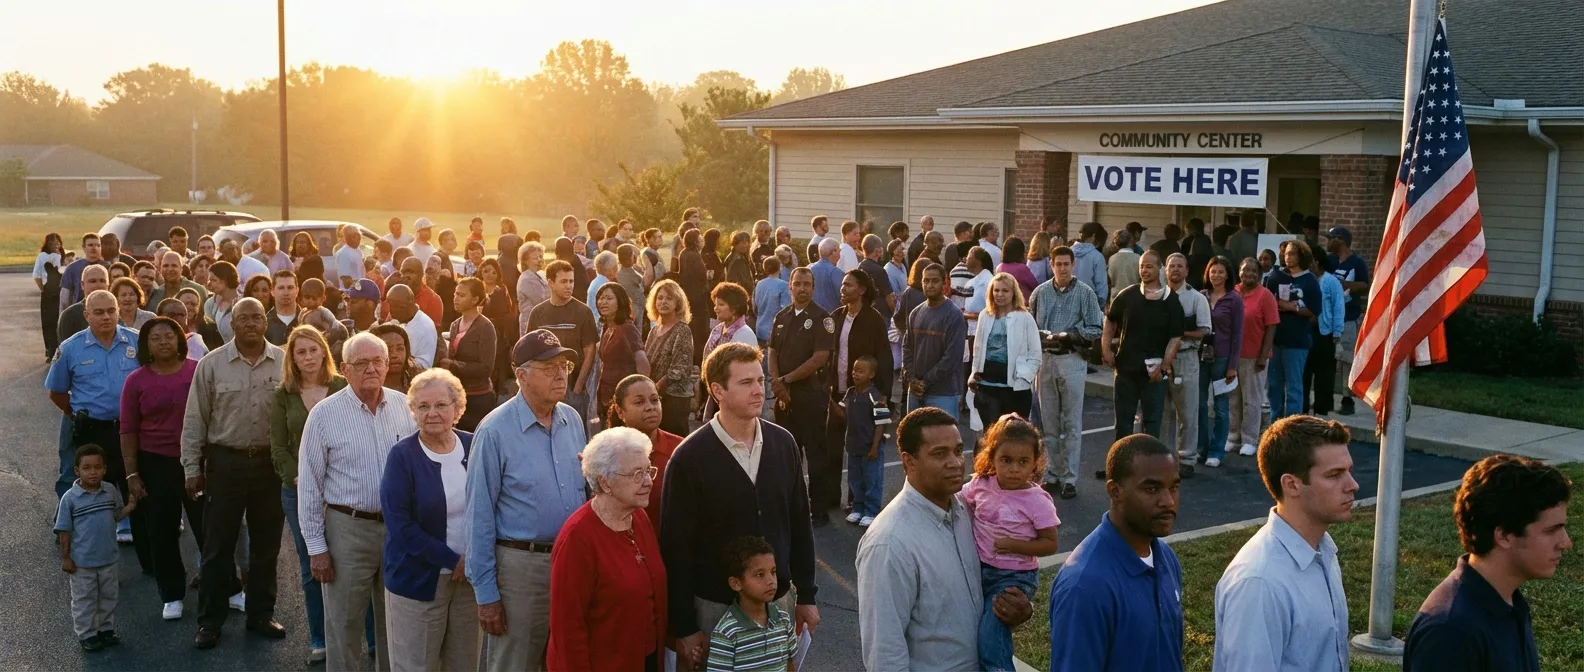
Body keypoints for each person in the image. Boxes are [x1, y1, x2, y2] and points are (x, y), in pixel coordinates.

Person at [660, 343, 820, 671]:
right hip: (714, 608)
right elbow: (676, 549)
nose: (758, 390)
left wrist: (806, 594)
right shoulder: (690, 457)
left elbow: (800, 524)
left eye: (760, 381)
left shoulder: (783, 443)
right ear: (717, 390)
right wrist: (686, 626)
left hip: (777, 606)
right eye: (746, 383)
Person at [856, 407, 1033, 670]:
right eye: (939, 454)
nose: (955, 462)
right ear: (908, 462)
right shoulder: (889, 544)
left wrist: (1018, 609)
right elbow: (885, 655)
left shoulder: (969, 509)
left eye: (958, 451)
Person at [466, 330, 589, 672]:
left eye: (564, 365)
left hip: (571, 564)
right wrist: (487, 594)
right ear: (521, 375)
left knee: (565, 660)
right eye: (549, 367)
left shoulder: (572, 420)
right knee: (514, 663)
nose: (561, 374)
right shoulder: (494, 431)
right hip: (521, 570)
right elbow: (478, 515)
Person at [297, 333, 417, 670]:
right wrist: (316, 548)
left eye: (377, 361)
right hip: (347, 530)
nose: (371, 369)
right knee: (344, 624)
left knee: (395, 623)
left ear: (387, 364)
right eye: (361, 363)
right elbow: (309, 485)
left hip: (398, 530)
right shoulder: (324, 415)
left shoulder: (405, 407)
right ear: (345, 370)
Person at [181, 297, 288, 649]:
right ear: (232, 323)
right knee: (217, 547)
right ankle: (210, 621)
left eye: (259, 317)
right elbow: (195, 419)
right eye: (245, 318)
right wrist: (192, 467)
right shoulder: (211, 365)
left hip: (269, 466)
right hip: (225, 463)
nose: (252, 324)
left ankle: (260, 614)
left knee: (265, 546)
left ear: (265, 322)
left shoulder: (285, 363)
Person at [1403, 455, 1572, 672]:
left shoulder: (1508, 604)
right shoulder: (1451, 631)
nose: (1566, 542)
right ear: (1504, 536)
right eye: (1551, 530)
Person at [1213, 415, 1356, 672]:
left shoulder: (1322, 550)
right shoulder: (1259, 582)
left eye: (1349, 471)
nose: (1352, 485)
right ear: (1292, 484)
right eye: (1334, 475)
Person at [1047, 434, 1183, 672]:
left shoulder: (1166, 559)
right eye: (1151, 489)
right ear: (1115, 491)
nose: (1168, 501)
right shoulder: (1084, 587)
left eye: (1174, 487)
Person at [546, 427, 669, 672]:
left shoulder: (639, 517)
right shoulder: (578, 538)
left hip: (645, 659)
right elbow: (568, 629)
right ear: (605, 481)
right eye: (636, 474)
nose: (648, 482)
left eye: (648, 471)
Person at [379, 369, 477, 672]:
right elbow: (400, 526)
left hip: (470, 582)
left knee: (464, 665)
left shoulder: (475, 445)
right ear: (413, 411)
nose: (432, 413)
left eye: (441, 405)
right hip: (417, 581)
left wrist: (473, 560)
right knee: (415, 666)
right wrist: (451, 559)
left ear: (458, 409)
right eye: (422, 406)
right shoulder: (402, 455)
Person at [269, 325, 347, 662]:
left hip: (344, 492)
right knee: (312, 564)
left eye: (313, 349)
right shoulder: (282, 395)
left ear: (324, 352)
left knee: (357, 565)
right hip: (299, 492)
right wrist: (299, 479)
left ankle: (371, 641)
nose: (308, 357)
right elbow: (279, 448)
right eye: (301, 352)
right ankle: (320, 638)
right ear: (293, 359)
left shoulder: (344, 386)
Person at [959, 416, 1059, 672]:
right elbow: (957, 500)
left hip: (1014, 577)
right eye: (1006, 460)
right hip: (979, 571)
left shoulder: (1037, 500)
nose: (1014, 469)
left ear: (1035, 463)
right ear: (992, 458)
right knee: (968, 631)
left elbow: (1050, 544)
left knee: (990, 638)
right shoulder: (981, 485)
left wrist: (1015, 545)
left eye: (1023, 462)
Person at [118, 316, 200, 622]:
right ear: (146, 345)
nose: (164, 341)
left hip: (195, 460)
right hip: (155, 462)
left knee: (208, 528)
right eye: (156, 337)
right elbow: (128, 430)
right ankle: (172, 595)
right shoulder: (136, 381)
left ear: (180, 339)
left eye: (169, 336)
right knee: (162, 531)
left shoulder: (197, 371)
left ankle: (226, 588)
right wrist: (132, 473)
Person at [48, 289, 141, 547]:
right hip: (92, 428)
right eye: (98, 312)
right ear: (86, 315)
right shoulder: (70, 348)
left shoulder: (136, 342)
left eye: (111, 311)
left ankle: (133, 525)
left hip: (130, 428)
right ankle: (87, 538)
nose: (106, 317)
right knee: (93, 481)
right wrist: (75, 413)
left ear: (118, 312)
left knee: (131, 476)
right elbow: (56, 392)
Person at [1029, 246, 1104, 499]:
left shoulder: (1085, 293)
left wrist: (1070, 335)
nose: (1061, 268)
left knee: (1071, 422)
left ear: (1073, 265)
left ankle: (1070, 478)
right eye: (1057, 264)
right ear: (1051, 264)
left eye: (1066, 264)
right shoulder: (1040, 293)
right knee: (1047, 422)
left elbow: (1095, 327)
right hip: (1046, 359)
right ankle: (1051, 473)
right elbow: (1031, 324)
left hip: (1071, 358)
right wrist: (1040, 336)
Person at [820, 271, 893, 524]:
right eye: (842, 284)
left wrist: (882, 393)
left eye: (848, 285)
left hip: (864, 396)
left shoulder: (873, 319)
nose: (843, 288)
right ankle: (831, 497)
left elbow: (884, 357)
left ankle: (858, 502)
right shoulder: (836, 316)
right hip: (839, 392)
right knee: (834, 447)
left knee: (862, 450)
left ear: (861, 290)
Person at [55, 444, 137, 652]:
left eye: (98, 467)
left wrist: (130, 506)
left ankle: (106, 630)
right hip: (83, 563)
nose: (93, 472)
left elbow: (116, 515)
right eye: (87, 468)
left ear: (105, 469)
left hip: (108, 559)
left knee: (108, 596)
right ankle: (87, 634)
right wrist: (66, 558)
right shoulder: (70, 499)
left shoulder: (109, 491)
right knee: (84, 600)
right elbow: (64, 531)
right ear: (77, 471)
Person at [1102, 250, 1184, 441]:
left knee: (1152, 425)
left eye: (1149, 266)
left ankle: (1150, 469)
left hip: (1154, 375)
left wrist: (1164, 366)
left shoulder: (1170, 300)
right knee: (1123, 424)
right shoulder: (1127, 295)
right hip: (1125, 371)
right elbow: (1110, 321)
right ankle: (1121, 467)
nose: (1145, 270)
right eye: (1142, 266)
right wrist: (1106, 349)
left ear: (1159, 269)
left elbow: (1175, 338)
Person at [766, 266, 834, 496]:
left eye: (807, 284)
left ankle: (819, 507)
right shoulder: (782, 316)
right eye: (798, 284)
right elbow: (772, 351)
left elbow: (820, 357)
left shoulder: (822, 318)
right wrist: (777, 382)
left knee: (815, 452)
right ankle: (791, 501)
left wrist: (786, 380)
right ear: (790, 286)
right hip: (783, 396)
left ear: (813, 288)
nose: (802, 288)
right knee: (787, 452)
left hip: (811, 395)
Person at [705, 536, 797, 672]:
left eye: (773, 572)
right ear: (736, 583)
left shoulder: (783, 621)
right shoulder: (727, 633)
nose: (771, 581)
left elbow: (789, 666)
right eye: (760, 575)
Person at [526, 260, 599, 425]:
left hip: (573, 386)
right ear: (550, 283)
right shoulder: (538, 313)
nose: (569, 286)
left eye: (571, 281)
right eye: (564, 281)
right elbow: (531, 351)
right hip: (543, 386)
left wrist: (579, 385)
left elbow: (590, 351)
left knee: (574, 431)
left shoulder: (583, 312)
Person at [607, 375, 683, 531]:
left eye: (654, 400)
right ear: (620, 412)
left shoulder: (681, 450)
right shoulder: (607, 454)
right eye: (639, 402)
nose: (650, 407)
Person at [1160, 253, 1212, 465]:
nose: (1176, 270)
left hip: (1186, 357)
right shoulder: (1157, 295)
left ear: (1187, 271)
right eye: (1172, 266)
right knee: (1158, 411)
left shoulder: (1196, 298)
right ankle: (1161, 457)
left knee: (1188, 412)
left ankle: (1187, 458)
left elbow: (1204, 330)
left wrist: (1179, 334)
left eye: (1180, 266)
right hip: (1161, 358)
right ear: (1166, 270)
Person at [969, 272, 1041, 426]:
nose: (1000, 294)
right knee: (990, 437)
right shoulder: (985, 315)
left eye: (1005, 291)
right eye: (996, 290)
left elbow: (1035, 353)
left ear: (1014, 293)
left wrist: (1024, 376)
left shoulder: (1024, 317)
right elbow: (978, 349)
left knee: (1013, 436)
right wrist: (973, 374)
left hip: (1015, 390)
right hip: (987, 386)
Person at [901, 262, 967, 417]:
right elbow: (907, 347)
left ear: (945, 283)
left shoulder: (954, 315)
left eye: (935, 281)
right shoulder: (916, 313)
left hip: (944, 393)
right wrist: (911, 378)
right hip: (915, 391)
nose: (930, 285)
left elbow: (952, 358)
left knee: (942, 439)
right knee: (914, 439)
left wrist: (925, 382)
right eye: (926, 281)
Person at [1264, 240, 1321, 421]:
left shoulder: (1310, 280)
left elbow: (1314, 310)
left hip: (1297, 342)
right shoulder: (1276, 277)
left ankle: (1292, 424)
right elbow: (1267, 301)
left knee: (1294, 387)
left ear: (1302, 256)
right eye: (1286, 253)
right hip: (1276, 340)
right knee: (1274, 386)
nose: (1288, 257)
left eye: (1293, 254)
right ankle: (1275, 423)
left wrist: (1290, 307)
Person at [1196, 257, 1244, 468]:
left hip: (1223, 359)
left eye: (1220, 272)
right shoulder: (1200, 296)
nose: (1216, 275)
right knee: (1199, 405)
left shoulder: (1234, 299)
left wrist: (1233, 365)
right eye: (1213, 271)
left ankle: (1216, 451)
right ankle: (1201, 449)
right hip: (1200, 357)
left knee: (1221, 406)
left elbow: (1238, 334)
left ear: (1228, 275)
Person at [1230, 258, 1279, 457]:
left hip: (1254, 356)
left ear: (1259, 274)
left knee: (1252, 400)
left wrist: (1263, 355)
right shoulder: (1232, 292)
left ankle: (1249, 439)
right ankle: (1233, 437)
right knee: (1233, 399)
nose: (1248, 274)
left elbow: (1271, 327)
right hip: (1232, 356)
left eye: (1252, 271)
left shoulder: (1265, 295)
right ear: (1239, 272)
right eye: (1244, 270)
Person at [439, 277, 498, 431]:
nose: (456, 298)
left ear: (475, 300)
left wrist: (454, 365)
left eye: (461, 295)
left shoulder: (485, 327)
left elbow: (486, 368)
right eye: (455, 294)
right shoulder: (455, 325)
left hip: (478, 398)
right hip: (458, 394)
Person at [1325, 227, 1370, 416]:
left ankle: (1347, 398)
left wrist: (1343, 285)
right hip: (1328, 319)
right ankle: (1325, 397)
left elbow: (1365, 284)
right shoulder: (1330, 261)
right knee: (1327, 359)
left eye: (1330, 238)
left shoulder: (1357, 263)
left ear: (1341, 240)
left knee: (1346, 359)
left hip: (1348, 317)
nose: (1327, 242)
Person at [838, 355, 887, 527]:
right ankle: (857, 508)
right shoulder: (850, 393)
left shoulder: (876, 396)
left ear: (871, 374)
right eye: (854, 370)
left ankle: (871, 510)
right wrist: (827, 399)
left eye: (860, 371)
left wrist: (875, 446)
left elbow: (881, 424)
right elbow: (842, 413)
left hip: (870, 446)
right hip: (854, 445)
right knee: (855, 479)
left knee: (871, 479)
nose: (855, 374)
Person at [644, 279, 698, 437]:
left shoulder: (682, 330)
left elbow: (680, 367)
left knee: (674, 441)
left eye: (669, 298)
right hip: (655, 396)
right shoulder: (654, 330)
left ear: (678, 302)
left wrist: (657, 386)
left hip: (675, 398)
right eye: (660, 298)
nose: (663, 302)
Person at [593, 283, 648, 417]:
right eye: (600, 298)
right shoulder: (607, 326)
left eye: (609, 298)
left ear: (620, 302)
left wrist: (641, 394)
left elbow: (643, 363)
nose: (603, 302)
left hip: (624, 396)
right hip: (607, 394)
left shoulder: (627, 328)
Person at [1302, 245, 1345, 416]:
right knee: (1304, 372)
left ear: (1317, 262)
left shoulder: (1330, 282)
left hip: (1324, 333)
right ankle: (1303, 407)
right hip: (1305, 331)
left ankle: (1322, 407)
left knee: (1324, 373)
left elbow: (1338, 307)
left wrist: (1337, 333)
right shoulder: (1304, 280)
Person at [678, 230, 712, 363]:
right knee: (701, 332)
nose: (702, 240)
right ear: (695, 240)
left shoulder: (683, 253)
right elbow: (702, 276)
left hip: (687, 295)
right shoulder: (695, 255)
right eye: (700, 238)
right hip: (698, 296)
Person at [386, 283, 437, 369]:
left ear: (410, 304)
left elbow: (422, 366)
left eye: (396, 306)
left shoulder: (422, 327)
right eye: (390, 305)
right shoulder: (408, 319)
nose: (391, 311)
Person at [35, 233, 64, 359]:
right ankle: (50, 349)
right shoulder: (42, 257)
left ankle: (61, 347)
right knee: (48, 321)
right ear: (47, 244)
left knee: (61, 319)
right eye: (52, 244)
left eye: (57, 243)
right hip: (48, 293)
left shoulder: (63, 256)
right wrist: (43, 289)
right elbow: (37, 276)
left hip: (61, 292)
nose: (55, 246)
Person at [753, 257, 791, 345]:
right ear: (779, 267)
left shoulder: (759, 284)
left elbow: (755, 307)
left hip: (759, 327)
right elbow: (786, 310)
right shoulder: (783, 285)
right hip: (775, 331)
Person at [859, 234, 897, 320]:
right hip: (881, 314)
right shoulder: (879, 270)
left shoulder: (859, 267)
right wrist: (895, 314)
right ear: (877, 251)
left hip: (865, 311)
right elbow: (889, 297)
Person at [59, 233, 103, 307]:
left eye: (98, 245)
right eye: (90, 245)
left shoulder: (108, 267)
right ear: (83, 247)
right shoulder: (72, 268)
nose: (94, 248)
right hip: (79, 311)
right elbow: (64, 299)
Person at [515, 241, 550, 334]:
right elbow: (541, 300)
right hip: (530, 325)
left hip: (543, 323)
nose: (539, 260)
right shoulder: (526, 278)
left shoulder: (541, 273)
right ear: (525, 261)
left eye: (541, 256)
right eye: (535, 258)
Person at [264, 270, 303, 346]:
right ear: (272, 291)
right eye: (281, 288)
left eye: (290, 288)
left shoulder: (307, 319)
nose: (286, 293)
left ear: (297, 291)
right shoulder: (265, 323)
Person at [204, 261, 240, 342]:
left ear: (225, 280)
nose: (209, 283)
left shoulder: (242, 303)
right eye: (209, 280)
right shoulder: (210, 304)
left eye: (213, 280)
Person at [809, 238, 844, 314]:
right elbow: (843, 297)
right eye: (839, 250)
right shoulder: (837, 272)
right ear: (834, 251)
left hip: (811, 316)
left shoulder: (809, 269)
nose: (840, 253)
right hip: (831, 317)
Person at [615, 244, 646, 331]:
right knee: (636, 330)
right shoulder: (634, 274)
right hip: (636, 305)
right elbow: (645, 283)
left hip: (625, 306)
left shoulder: (617, 272)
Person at [1105, 229, 1139, 302]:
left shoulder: (1112, 259)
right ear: (1131, 241)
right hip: (1134, 298)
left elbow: (1109, 280)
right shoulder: (1138, 258)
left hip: (1115, 298)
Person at [1182, 218, 1214, 290]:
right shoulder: (1188, 240)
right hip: (1190, 274)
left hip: (1199, 274)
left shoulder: (1203, 240)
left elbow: (1201, 257)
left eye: (1190, 228)